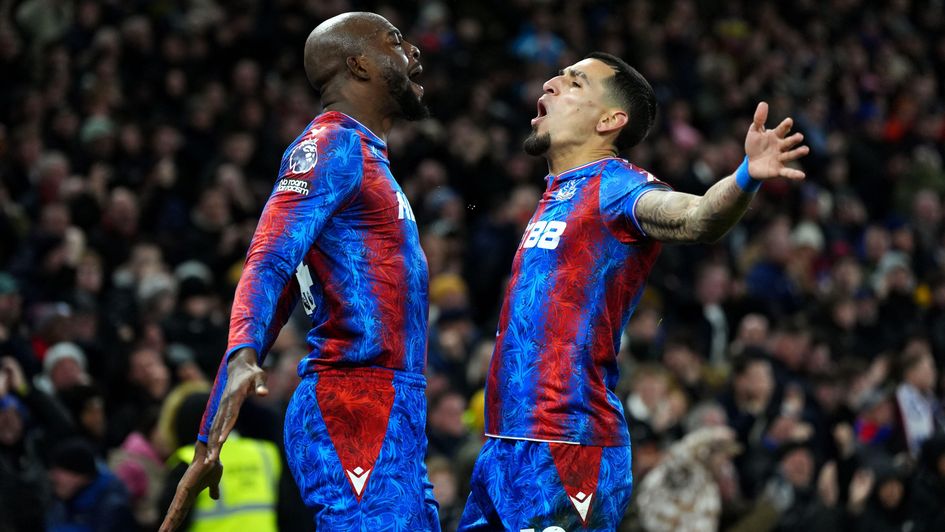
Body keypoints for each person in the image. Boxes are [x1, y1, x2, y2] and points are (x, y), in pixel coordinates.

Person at [459, 52, 808, 530]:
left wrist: (746, 175)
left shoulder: (618, 186)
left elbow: (697, 217)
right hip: (505, 443)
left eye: (574, 82)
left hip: (568, 446)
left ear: (610, 120)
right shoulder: (557, 193)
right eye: (557, 77)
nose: (550, 85)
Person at [160, 12, 439, 531]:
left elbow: (283, 290)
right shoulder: (331, 145)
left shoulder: (367, 158)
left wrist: (207, 437)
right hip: (352, 401)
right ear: (359, 64)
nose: (413, 52)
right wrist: (242, 356)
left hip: (391, 404)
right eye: (395, 42)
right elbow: (269, 258)